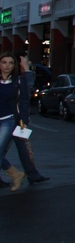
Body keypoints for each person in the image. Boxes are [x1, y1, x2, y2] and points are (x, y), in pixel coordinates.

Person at [0, 53, 34, 191]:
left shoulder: (18, 81)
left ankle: (17, 174)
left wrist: (24, 120)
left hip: (9, 120)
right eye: (4, 62)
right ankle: (16, 174)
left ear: (14, 65)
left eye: (10, 63)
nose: (7, 65)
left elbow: (25, 101)